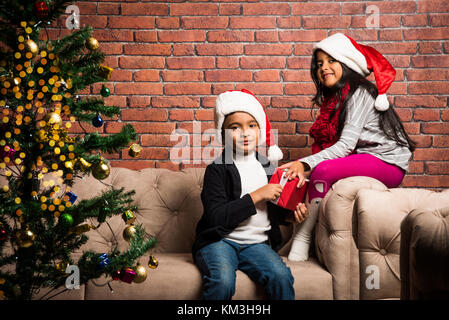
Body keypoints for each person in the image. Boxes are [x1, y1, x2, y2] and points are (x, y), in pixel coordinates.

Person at [280, 33, 416, 262]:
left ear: (346, 63)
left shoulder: (359, 91)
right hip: (365, 156)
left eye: (331, 61)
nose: (324, 68)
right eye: (320, 63)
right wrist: (304, 169)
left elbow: (344, 147)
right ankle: (294, 236)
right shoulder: (334, 99)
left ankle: (304, 238)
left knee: (322, 171)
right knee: (309, 175)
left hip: (387, 162)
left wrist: (304, 163)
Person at [192, 89, 308, 300]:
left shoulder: (267, 167)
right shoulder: (217, 169)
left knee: (281, 277)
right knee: (223, 281)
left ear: (260, 130)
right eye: (235, 128)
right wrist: (256, 196)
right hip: (220, 241)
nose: (245, 133)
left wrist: (291, 216)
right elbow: (215, 217)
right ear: (223, 133)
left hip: (256, 244)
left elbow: (272, 209)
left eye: (252, 126)